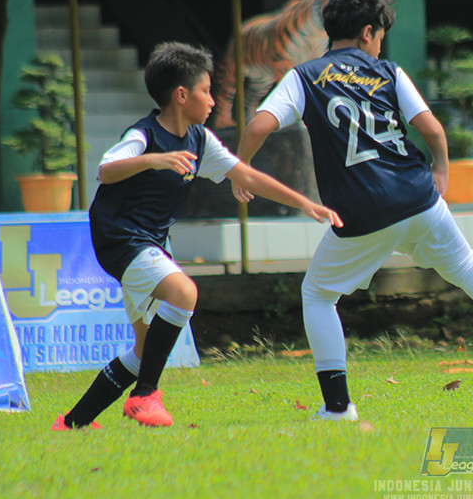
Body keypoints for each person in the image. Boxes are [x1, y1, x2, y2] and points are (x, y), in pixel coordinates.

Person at [233, 0, 473, 421]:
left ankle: (338, 409)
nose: (379, 44)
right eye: (380, 36)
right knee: (469, 267)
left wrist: (240, 172)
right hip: (419, 198)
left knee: (318, 294)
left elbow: (259, 125)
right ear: (368, 33)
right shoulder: (389, 71)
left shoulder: (303, 77)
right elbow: (432, 129)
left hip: (362, 210)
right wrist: (440, 172)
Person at [52, 42, 342, 430]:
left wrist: (306, 203)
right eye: (206, 91)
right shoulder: (144, 134)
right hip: (120, 238)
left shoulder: (199, 140)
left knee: (143, 351)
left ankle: (72, 423)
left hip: (149, 242)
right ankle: (144, 396)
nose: (212, 99)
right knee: (184, 293)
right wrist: (153, 159)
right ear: (182, 95)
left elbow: (247, 175)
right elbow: (107, 170)